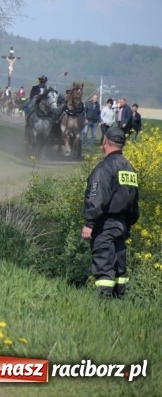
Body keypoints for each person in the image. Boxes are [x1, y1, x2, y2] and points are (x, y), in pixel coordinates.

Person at [81, 126, 140, 299]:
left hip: (104, 225)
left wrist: (89, 224)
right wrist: (127, 225)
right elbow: (133, 203)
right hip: (122, 226)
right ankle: (119, 302)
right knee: (120, 268)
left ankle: (103, 305)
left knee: (104, 265)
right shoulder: (129, 168)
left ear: (104, 141)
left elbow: (97, 198)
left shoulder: (104, 168)